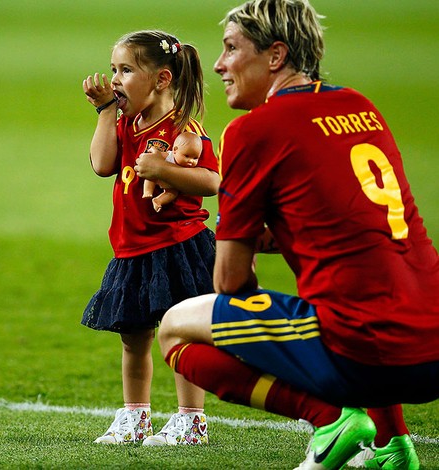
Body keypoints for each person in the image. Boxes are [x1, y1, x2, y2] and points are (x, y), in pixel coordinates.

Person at [156, 0, 439, 468]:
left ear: (275, 55)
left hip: (365, 353)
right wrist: (284, 235)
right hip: (431, 334)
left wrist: (242, 240)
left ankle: (328, 420)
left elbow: (231, 284)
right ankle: (393, 446)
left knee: (175, 328)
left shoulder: (254, 130)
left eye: (231, 48)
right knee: (368, 285)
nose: (220, 64)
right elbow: (354, 225)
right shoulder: (359, 105)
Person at [81, 30, 220, 446]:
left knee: (179, 333)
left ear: (161, 79)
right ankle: (135, 417)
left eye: (125, 70)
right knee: (133, 336)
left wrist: (164, 171)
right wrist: (107, 111)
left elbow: (211, 180)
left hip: (177, 246)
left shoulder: (183, 129)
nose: (116, 79)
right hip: (132, 248)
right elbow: (102, 165)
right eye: (113, 70)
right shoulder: (127, 122)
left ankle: (191, 420)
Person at [143, 131, 203, 212]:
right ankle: (147, 191)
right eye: (186, 156)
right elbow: (157, 156)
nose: (191, 161)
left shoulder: (189, 168)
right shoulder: (169, 156)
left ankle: (158, 201)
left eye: (195, 158)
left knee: (172, 193)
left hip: (170, 183)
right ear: (175, 150)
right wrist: (154, 151)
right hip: (159, 175)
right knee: (150, 177)